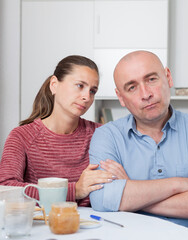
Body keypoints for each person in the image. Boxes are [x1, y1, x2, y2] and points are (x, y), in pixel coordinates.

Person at [89, 50, 188, 240]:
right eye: (132, 87)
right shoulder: (107, 136)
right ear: (121, 97)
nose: (146, 94)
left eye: (151, 79)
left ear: (168, 78)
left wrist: (131, 192)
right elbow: (102, 199)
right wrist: (180, 184)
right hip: (131, 234)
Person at [0, 55, 115, 206]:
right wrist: (75, 191)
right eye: (80, 85)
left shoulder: (101, 134)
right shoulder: (22, 136)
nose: (87, 97)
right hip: (42, 226)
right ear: (54, 85)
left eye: (93, 91)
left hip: (93, 225)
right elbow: (6, 188)